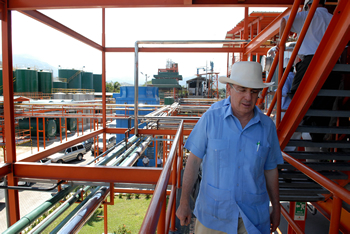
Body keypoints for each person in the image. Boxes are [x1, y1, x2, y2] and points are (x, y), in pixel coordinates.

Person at [176, 61, 284, 234]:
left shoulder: (267, 127)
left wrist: (277, 208)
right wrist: (184, 203)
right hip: (213, 218)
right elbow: (194, 161)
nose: (248, 97)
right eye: (242, 89)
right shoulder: (211, 119)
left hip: (253, 219)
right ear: (229, 89)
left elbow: (271, 170)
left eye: (254, 91)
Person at [279, 0, 341, 142]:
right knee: (324, 103)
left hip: (310, 63)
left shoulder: (306, 15)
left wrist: (281, 43)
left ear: (307, 4)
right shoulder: (333, 18)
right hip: (333, 65)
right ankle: (315, 135)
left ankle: (304, 127)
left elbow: (284, 21)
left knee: (297, 96)